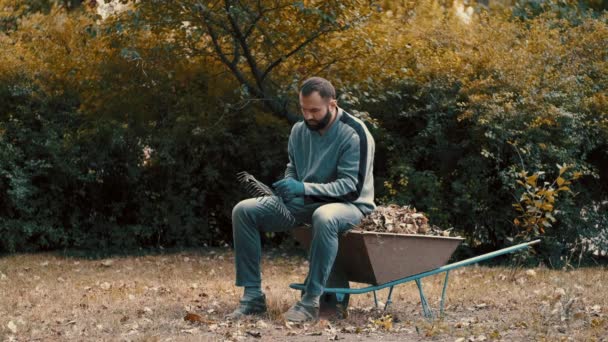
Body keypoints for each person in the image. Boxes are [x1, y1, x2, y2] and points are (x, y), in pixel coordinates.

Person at [228, 77, 376, 322]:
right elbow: (293, 167)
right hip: (305, 201)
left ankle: (310, 302)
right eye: (304, 109)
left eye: (315, 110)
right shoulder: (299, 130)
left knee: (324, 215)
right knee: (244, 210)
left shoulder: (355, 133)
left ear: (332, 104)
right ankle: (252, 297)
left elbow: (351, 188)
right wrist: (289, 185)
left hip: (351, 206)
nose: (308, 116)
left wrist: (302, 188)